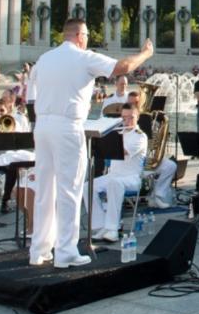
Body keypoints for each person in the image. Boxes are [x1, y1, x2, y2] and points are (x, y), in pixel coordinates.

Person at [27, 18, 153, 267]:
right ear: (79, 35)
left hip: (42, 126)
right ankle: (65, 252)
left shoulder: (44, 59)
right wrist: (145, 54)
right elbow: (122, 67)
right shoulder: (83, 58)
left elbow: (31, 97)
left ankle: (39, 250)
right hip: (67, 126)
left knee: (45, 189)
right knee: (69, 189)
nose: (87, 40)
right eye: (86, 35)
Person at [84, 104, 147, 242]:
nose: (127, 121)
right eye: (124, 118)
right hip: (113, 176)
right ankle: (101, 225)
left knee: (114, 183)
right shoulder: (117, 132)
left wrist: (107, 137)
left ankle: (113, 228)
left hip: (132, 178)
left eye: (131, 117)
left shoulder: (140, 136)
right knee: (87, 187)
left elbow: (121, 151)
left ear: (138, 117)